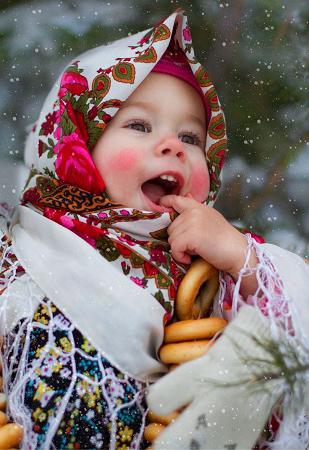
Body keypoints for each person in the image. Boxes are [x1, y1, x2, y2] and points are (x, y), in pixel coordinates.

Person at [0, 9, 308, 450]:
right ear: (78, 144)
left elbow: (294, 336)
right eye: (139, 125)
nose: (172, 147)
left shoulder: (211, 263)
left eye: (191, 138)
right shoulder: (22, 252)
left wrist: (242, 258)